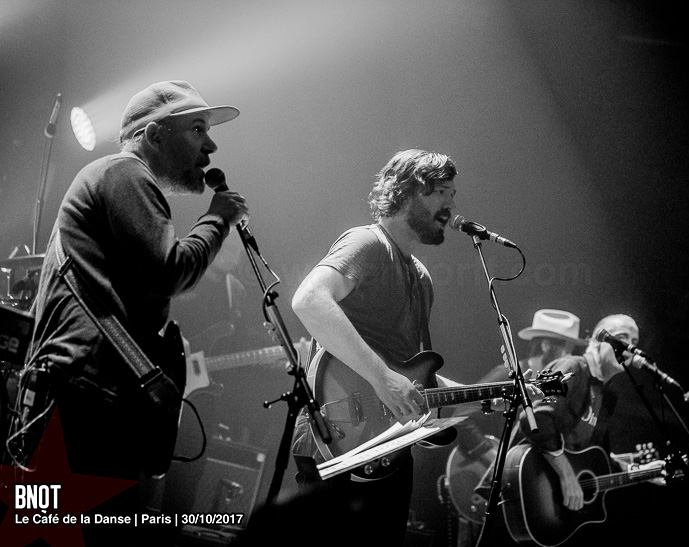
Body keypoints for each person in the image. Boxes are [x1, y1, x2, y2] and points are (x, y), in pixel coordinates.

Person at [12, 80, 248, 544]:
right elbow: (170, 271)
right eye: (197, 129)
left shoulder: (115, 180)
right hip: (87, 400)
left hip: (86, 396)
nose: (211, 145)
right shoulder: (125, 172)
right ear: (154, 135)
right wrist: (217, 218)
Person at [287, 149, 464, 546]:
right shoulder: (367, 243)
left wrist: (489, 395)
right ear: (407, 193)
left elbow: (410, 375)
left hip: (389, 450)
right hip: (336, 439)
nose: (451, 206)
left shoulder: (421, 278)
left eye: (453, 195)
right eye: (441, 192)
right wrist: (383, 379)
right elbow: (309, 301)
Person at [448, 309, 587, 546]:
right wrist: (493, 455)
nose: (570, 357)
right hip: (481, 473)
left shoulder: (551, 383)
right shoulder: (506, 374)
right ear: (546, 346)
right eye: (566, 349)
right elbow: (460, 414)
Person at [516, 313, 644, 509]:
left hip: (554, 501)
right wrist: (567, 475)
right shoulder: (571, 367)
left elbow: (594, 456)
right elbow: (534, 418)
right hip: (525, 482)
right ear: (597, 341)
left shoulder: (608, 396)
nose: (629, 347)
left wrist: (638, 471)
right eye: (622, 337)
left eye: (634, 341)